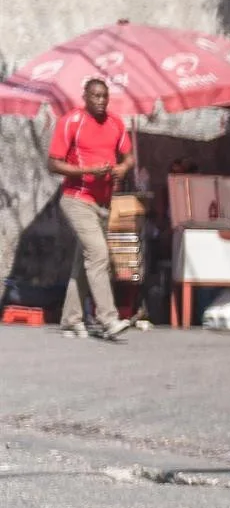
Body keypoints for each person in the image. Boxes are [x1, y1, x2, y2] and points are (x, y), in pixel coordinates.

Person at [46, 78, 133, 340]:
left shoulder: (116, 123)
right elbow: (53, 163)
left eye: (104, 96)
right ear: (84, 96)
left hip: (103, 203)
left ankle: (71, 320)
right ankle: (108, 318)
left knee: (84, 264)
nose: (101, 101)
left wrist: (122, 168)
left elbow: (128, 156)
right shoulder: (71, 121)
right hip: (76, 198)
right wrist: (88, 171)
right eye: (95, 96)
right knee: (98, 254)